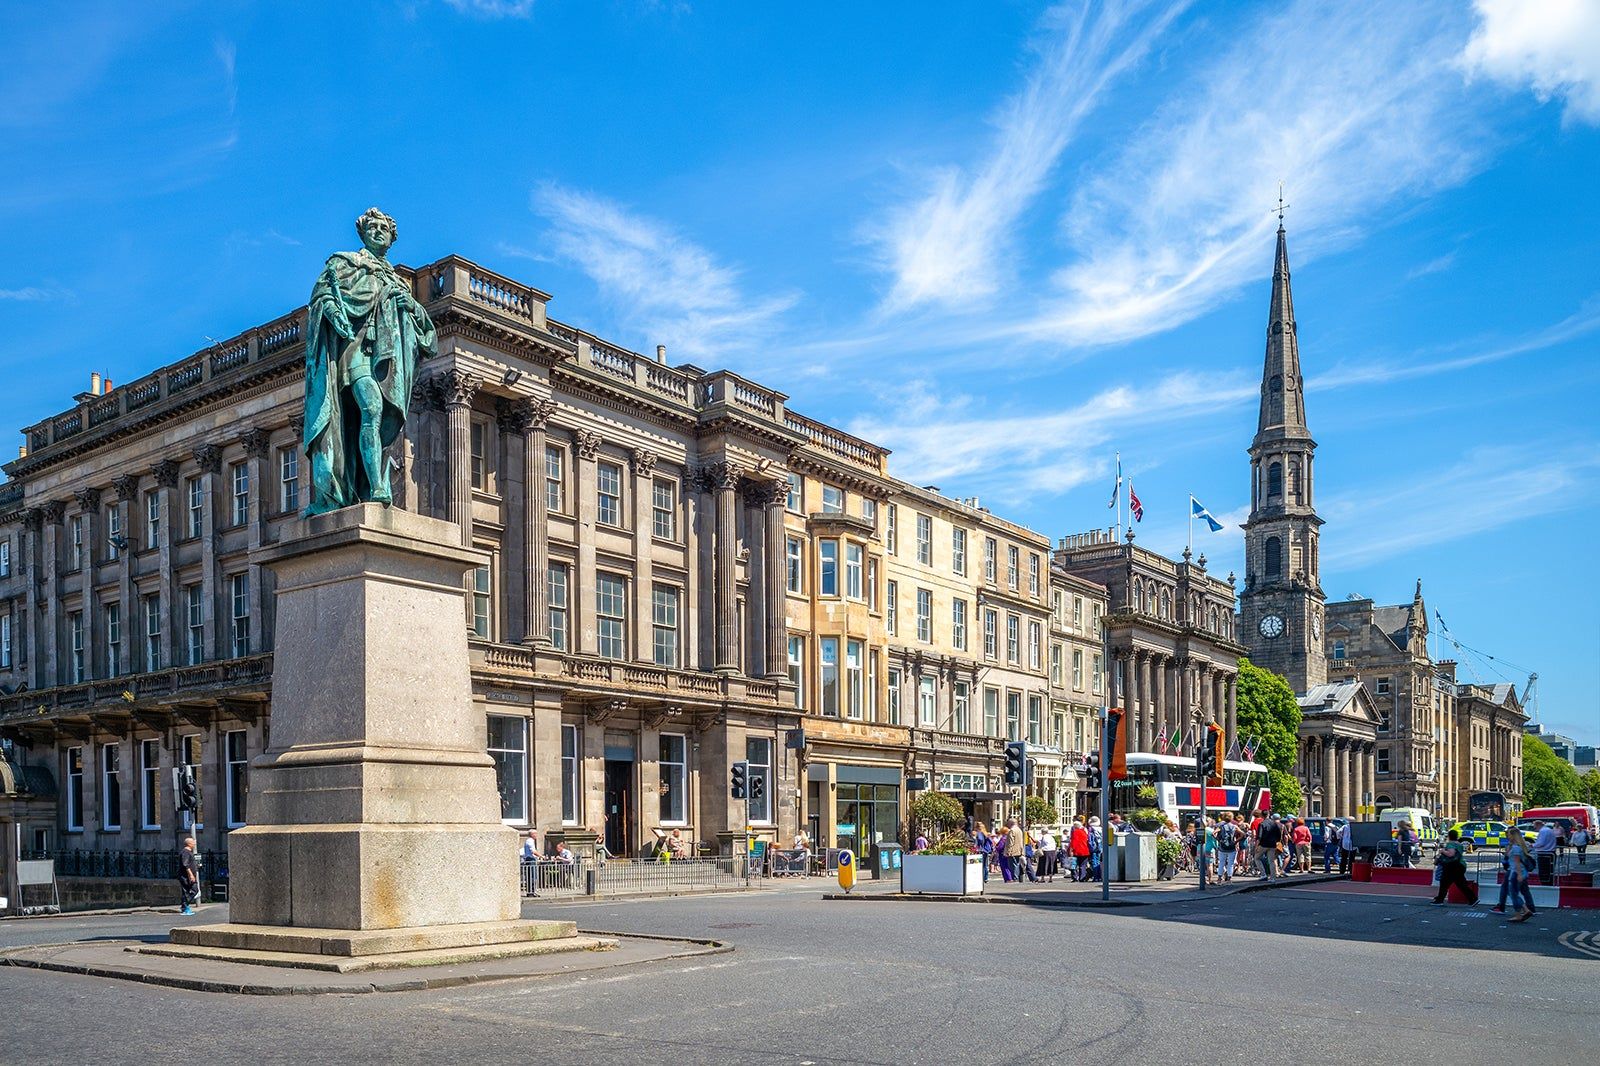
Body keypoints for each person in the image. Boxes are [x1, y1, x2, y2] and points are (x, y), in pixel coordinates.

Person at [1500, 829, 1538, 922]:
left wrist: (1519, 875)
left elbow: (1517, 863)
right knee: (1519, 892)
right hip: (1520, 872)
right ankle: (1526, 909)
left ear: (1513, 836)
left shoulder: (1516, 848)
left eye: (1509, 835)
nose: (1507, 836)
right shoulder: (1518, 846)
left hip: (1516, 873)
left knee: (1513, 894)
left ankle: (1519, 914)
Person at [1431, 829, 1472, 906]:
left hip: (1452, 866)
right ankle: (1472, 899)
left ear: (1449, 836)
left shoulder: (1451, 844)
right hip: (1460, 865)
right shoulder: (1459, 844)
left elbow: (1451, 854)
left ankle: (1439, 900)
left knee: (1444, 882)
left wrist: (1442, 851)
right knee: (1460, 883)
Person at [177, 836, 200, 915]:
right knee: (194, 890)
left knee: (187, 891)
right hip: (186, 876)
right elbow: (185, 865)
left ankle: (185, 907)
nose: (194, 844)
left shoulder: (188, 852)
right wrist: (191, 875)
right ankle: (185, 906)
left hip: (187, 876)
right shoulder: (186, 853)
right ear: (189, 844)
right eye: (193, 842)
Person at [1215, 812, 1241, 883]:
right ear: (1231, 818)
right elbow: (1243, 834)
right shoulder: (1234, 826)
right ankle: (1229, 879)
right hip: (1232, 847)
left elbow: (1213, 833)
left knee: (1221, 863)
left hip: (1222, 847)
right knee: (1230, 864)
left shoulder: (1221, 826)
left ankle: (1219, 878)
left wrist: (1219, 840)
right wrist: (1235, 842)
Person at [1531, 820, 1559, 886]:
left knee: (1544, 872)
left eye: (1535, 827)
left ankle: (1545, 885)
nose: (1535, 829)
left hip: (1544, 854)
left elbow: (1541, 843)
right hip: (1550, 852)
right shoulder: (1549, 830)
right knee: (1549, 872)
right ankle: (1549, 884)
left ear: (1538, 825)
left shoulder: (1543, 831)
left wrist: (1532, 845)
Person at [1256, 814, 1282, 880]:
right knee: (1271, 861)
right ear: (1268, 815)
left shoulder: (1261, 824)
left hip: (1263, 844)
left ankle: (1263, 874)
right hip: (1273, 844)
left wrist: (1256, 846)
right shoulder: (1274, 824)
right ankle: (1273, 878)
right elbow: (1279, 834)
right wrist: (1277, 841)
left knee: (1256, 858)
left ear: (1262, 816)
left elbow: (1259, 836)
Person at [1068, 817, 1091, 882]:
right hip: (1085, 850)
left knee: (1073, 864)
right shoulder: (1084, 832)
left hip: (1076, 851)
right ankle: (1082, 877)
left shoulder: (1075, 832)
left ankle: (1075, 877)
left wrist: (1071, 850)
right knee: (1083, 865)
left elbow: (1073, 842)